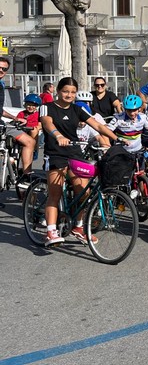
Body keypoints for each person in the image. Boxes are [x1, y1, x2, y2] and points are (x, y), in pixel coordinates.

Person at [39, 77, 120, 246]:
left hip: (74, 153)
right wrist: (58, 136)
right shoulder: (47, 107)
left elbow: (97, 125)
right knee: (55, 193)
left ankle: (78, 227)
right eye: (65, 91)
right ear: (58, 91)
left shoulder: (77, 109)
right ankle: (51, 231)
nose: (69, 95)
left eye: (73, 92)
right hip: (55, 153)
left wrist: (116, 139)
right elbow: (47, 123)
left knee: (83, 192)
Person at [0, 57, 37, 182]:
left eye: (4, 69)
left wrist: (14, 118)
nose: (1, 70)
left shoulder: (1, 85)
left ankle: (26, 175)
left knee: (30, 142)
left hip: (2, 126)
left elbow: (0, 110)